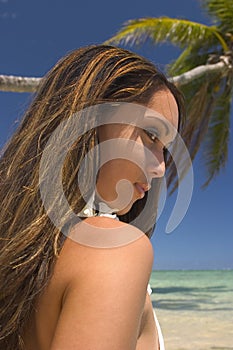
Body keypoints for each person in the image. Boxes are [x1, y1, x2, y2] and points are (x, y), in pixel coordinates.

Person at [0, 45, 185, 349]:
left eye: (165, 150)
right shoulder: (114, 248)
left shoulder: (26, 254)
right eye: (151, 135)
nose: (160, 168)